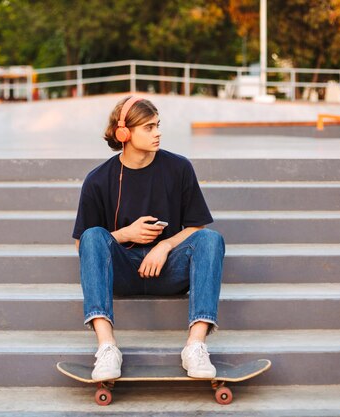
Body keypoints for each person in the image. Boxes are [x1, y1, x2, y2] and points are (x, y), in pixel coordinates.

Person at [72, 96, 225, 381]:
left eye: (158, 125)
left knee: (211, 239)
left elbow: (196, 227)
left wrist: (164, 246)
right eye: (149, 127)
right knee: (93, 235)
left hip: (167, 271)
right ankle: (107, 347)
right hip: (123, 273)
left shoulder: (178, 168)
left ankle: (196, 346)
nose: (158, 133)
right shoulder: (98, 179)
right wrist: (125, 234)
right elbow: (83, 245)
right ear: (124, 133)